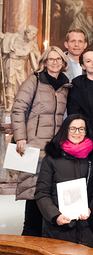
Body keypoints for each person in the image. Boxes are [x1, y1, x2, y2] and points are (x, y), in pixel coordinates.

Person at [11, 46, 71, 237]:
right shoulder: (34, 81)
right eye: (50, 59)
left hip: (55, 148)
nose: (54, 62)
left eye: (58, 59)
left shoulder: (65, 86)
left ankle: (45, 243)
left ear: (63, 62)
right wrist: (20, 137)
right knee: (33, 194)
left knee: (49, 195)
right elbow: (18, 109)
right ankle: (29, 244)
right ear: (44, 62)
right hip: (33, 145)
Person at [35, 116, 93, 246]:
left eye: (81, 129)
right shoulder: (52, 158)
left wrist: (90, 208)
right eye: (73, 128)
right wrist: (55, 216)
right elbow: (42, 192)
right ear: (65, 130)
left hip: (86, 225)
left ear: (86, 131)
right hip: (58, 227)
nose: (77, 132)